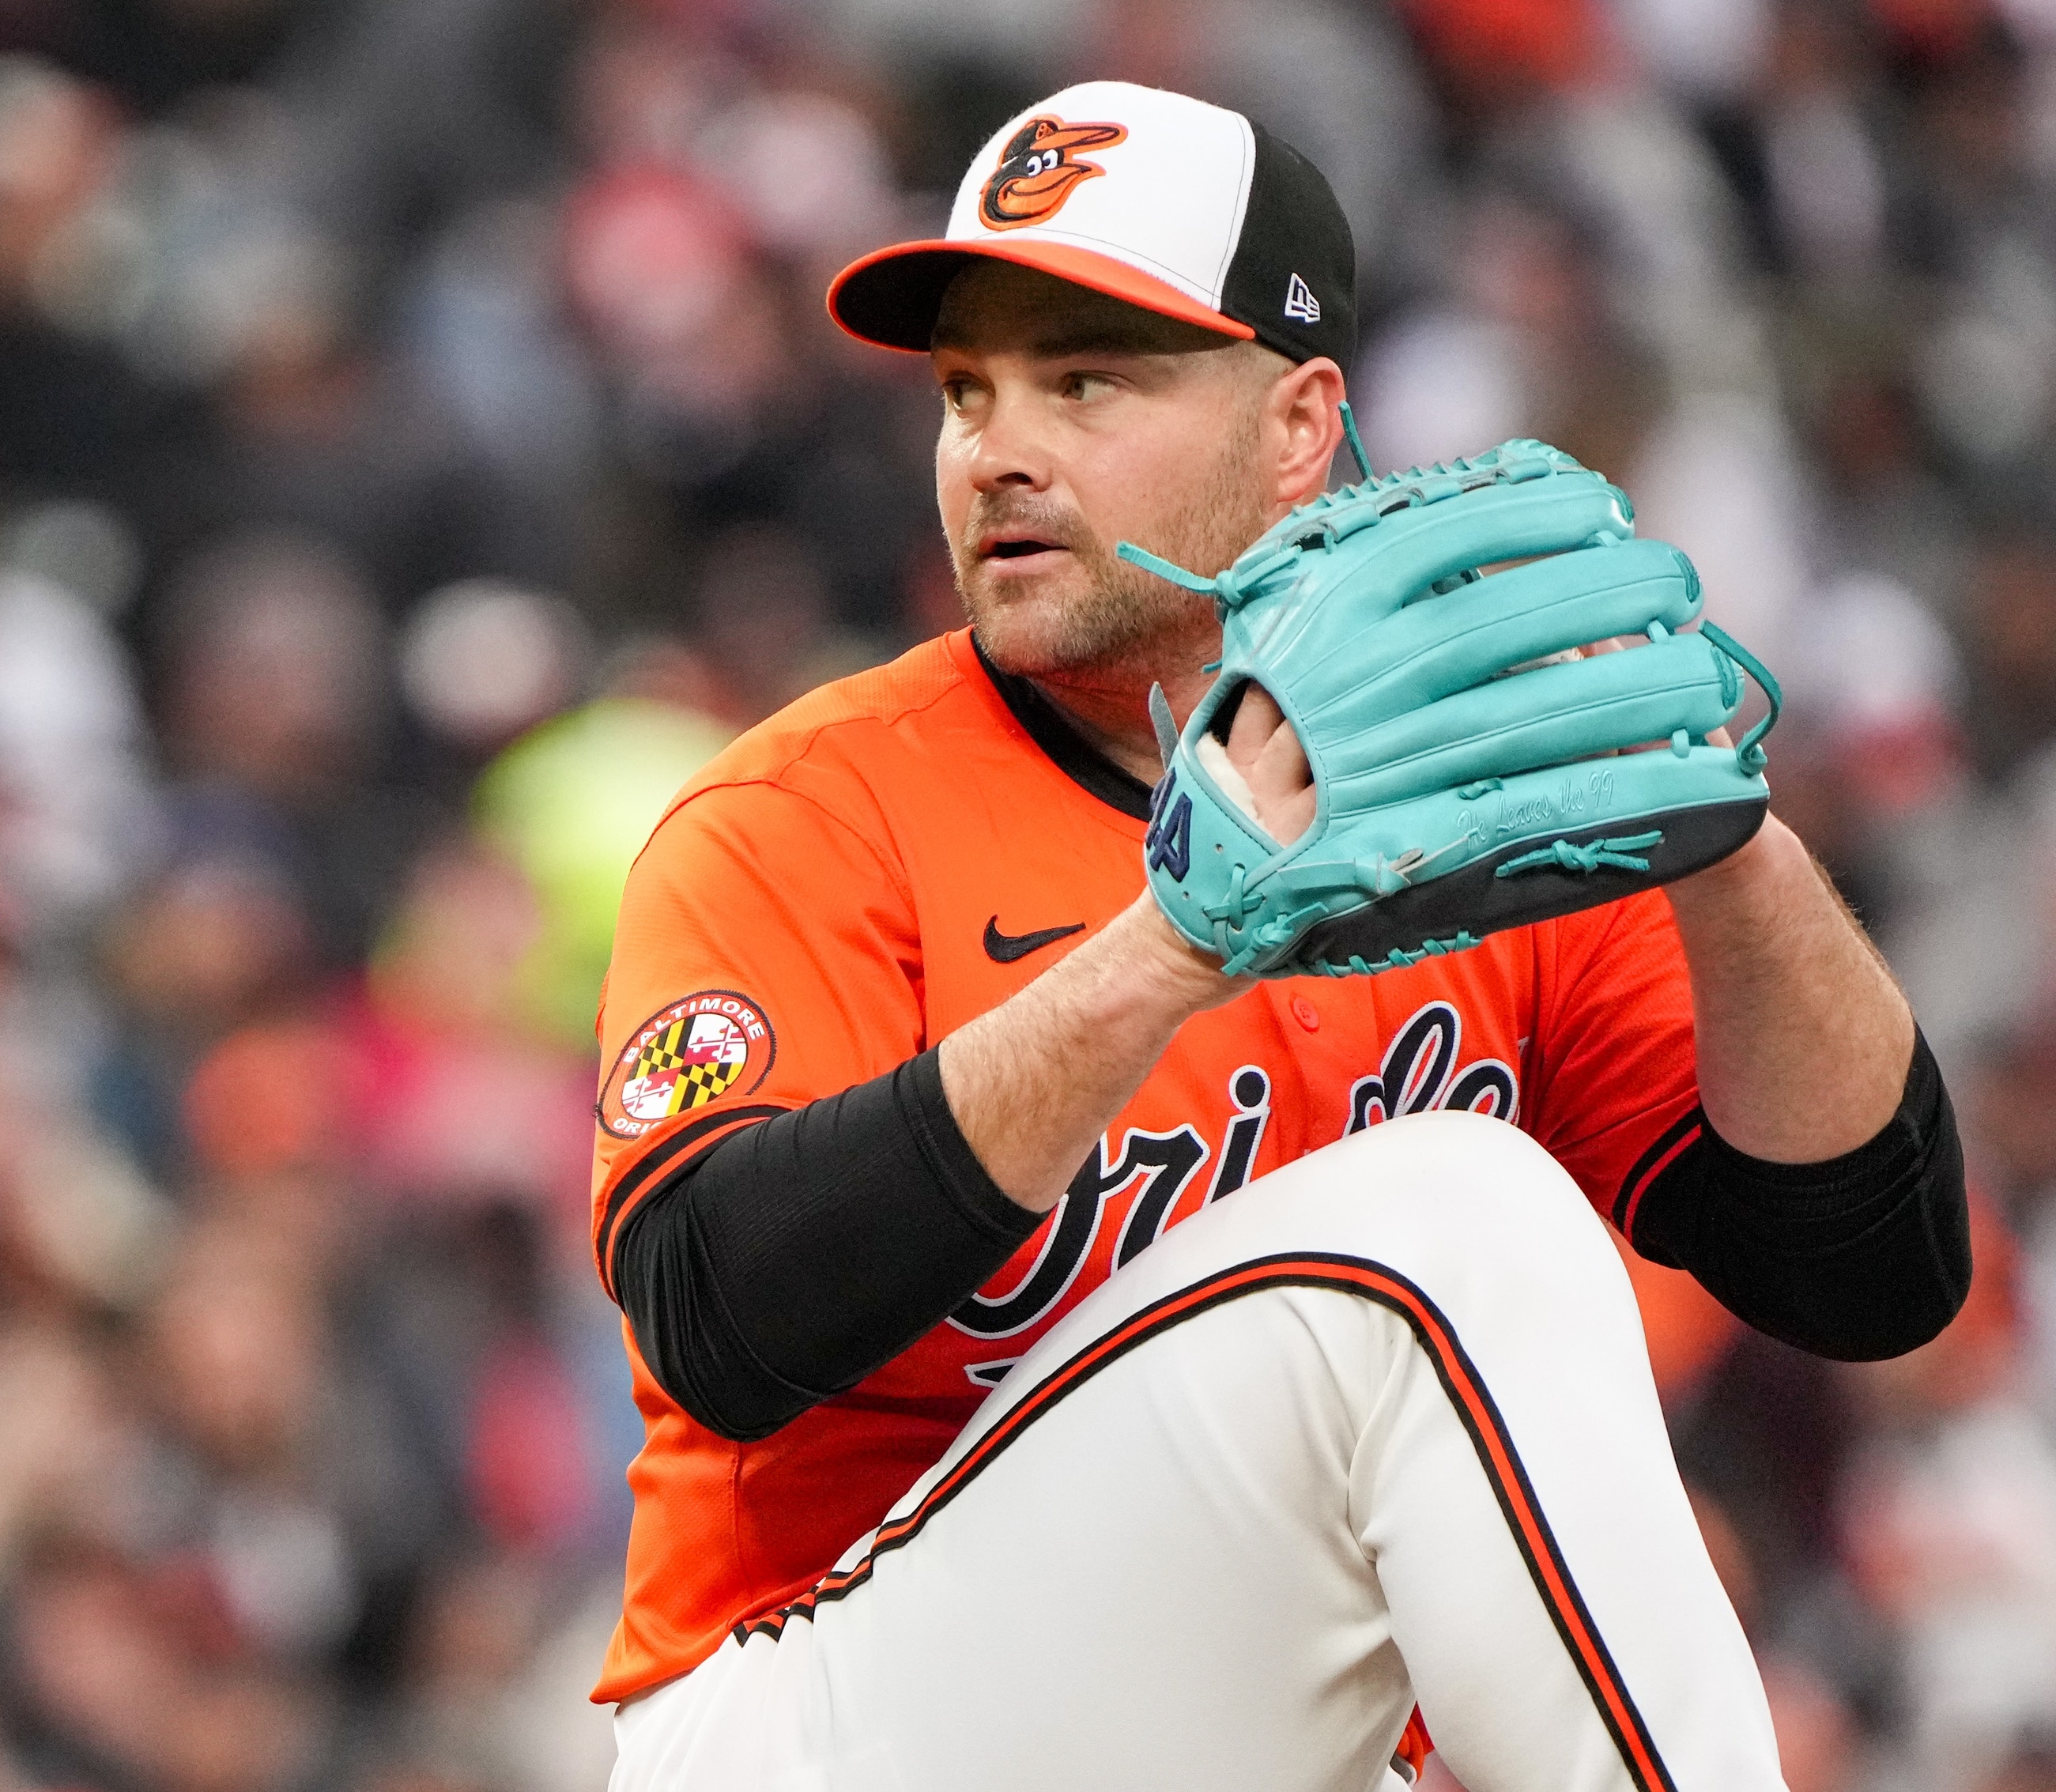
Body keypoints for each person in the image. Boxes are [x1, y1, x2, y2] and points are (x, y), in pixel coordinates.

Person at [590, 81, 1969, 1790]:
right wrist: (1167, 950)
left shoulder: (1460, 796)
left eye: (1082, 377)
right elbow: (713, 1316)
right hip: (813, 1706)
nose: (996, 448)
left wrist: (1727, 837)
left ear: (1300, 422)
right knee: (1449, 1213)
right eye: (967, 389)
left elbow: (1865, 1272)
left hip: (1245, 1741)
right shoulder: (806, 812)